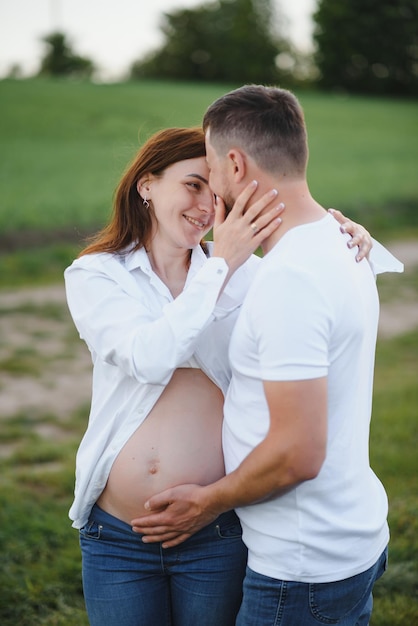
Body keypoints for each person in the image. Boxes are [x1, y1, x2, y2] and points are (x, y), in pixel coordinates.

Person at [65, 126, 374, 626]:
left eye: (214, 192)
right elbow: (149, 355)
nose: (206, 207)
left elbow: (318, 277)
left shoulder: (245, 273)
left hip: (214, 530)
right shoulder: (97, 276)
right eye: (191, 185)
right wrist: (221, 266)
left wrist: (348, 234)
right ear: (147, 185)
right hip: (117, 536)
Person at [130, 89, 403, 626]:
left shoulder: (290, 279)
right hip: (345, 538)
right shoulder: (338, 244)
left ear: (235, 163)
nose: (210, 195)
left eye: (210, 169)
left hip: (301, 565)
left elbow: (297, 454)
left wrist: (207, 502)